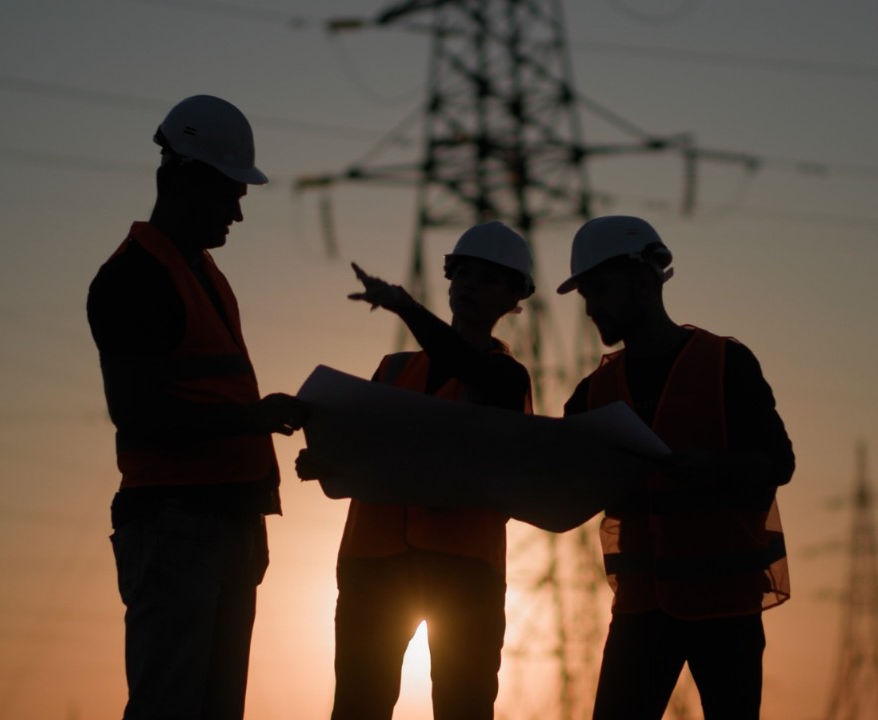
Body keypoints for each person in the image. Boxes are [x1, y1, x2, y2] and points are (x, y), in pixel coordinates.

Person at [86, 94, 309, 720]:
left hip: (225, 524)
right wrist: (253, 418)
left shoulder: (201, 273)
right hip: (177, 526)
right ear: (184, 179)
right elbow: (139, 415)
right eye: (229, 190)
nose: (239, 207)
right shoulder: (136, 279)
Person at [296, 221, 535, 720]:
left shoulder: (506, 378)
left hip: (463, 570)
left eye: (486, 279)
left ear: (514, 297)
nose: (468, 285)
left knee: (462, 707)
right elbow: (364, 448)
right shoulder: (391, 370)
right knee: (359, 705)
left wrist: (406, 306)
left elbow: (469, 370)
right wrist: (328, 460)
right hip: (374, 563)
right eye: (462, 273)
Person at [557, 216, 794, 720]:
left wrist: (713, 467)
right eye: (586, 295)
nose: (592, 307)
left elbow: (779, 461)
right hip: (641, 608)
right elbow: (562, 476)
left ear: (643, 280)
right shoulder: (592, 394)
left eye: (600, 290)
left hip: (726, 607)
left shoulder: (726, 364)